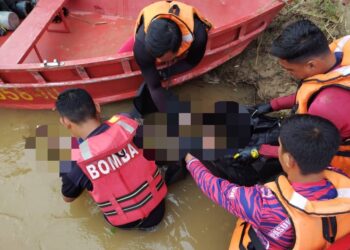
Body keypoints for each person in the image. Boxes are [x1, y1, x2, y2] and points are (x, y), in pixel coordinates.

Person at [185, 114, 350, 249]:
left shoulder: (263, 205)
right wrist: (260, 150)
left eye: (279, 146)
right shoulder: (341, 177)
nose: (277, 149)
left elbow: (213, 187)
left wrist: (190, 159)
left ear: (288, 159)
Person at [237, 19, 350, 175]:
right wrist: (271, 105)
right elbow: (313, 90)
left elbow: (306, 151)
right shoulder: (338, 53)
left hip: (331, 155)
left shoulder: (326, 106)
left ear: (311, 65)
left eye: (290, 70)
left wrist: (260, 150)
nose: (288, 74)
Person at [56, 88, 167, 229]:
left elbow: (68, 198)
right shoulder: (127, 125)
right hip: (159, 209)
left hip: (125, 224)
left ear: (65, 122)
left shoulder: (74, 159)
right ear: (97, 107)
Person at [131, 0, 212, 113]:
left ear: (179, 49)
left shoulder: (199, 36)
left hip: (184, 17)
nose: (158, 61)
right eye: (156, 56)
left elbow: (191, 62)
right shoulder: (141, 47)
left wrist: (167, 72)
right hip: (155, 12)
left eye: (163, 58)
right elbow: (154, 87)